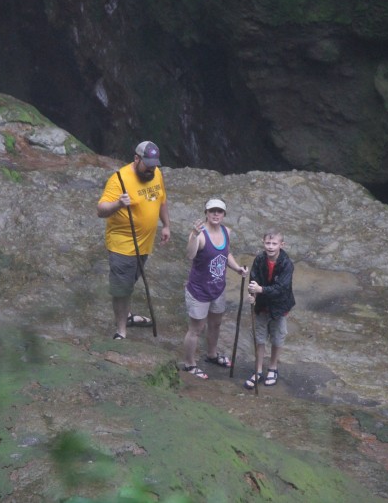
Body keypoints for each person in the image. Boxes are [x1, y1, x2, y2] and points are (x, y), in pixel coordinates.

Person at [97, 140, 170, 339]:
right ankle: (121, 330)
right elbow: (101, 210)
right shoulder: (119, 179)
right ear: (136, 159)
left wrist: (166, 225)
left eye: (155, 165)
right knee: (121, 289)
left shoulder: (156, 174)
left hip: (145, 244)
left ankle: (126, 315)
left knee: (129, 283)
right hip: (123, 244)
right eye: (148, 164)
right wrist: (118, 204)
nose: (152, 169)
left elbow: (162, 199)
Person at [182, 198, 248, 379]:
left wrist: (237, 268)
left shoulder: (226, 231)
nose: (216, 214)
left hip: (218, 288)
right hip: (199, 290)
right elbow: (190, 255)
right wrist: (194, 236)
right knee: (196, 328)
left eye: (219, 211)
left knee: (216, 324)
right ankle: (189, 364)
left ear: (224, 214)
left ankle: (212, 354)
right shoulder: (200, 234)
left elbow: (226, 254)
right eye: (212, 211)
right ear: (206, 213)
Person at [244, 230, 295, 389]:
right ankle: (258, 370)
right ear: (263, 242)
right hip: (261, 305)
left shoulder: (287, 264)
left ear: (282, 245)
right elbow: (253, 280)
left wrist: (261, 290)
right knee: (259, 338)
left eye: (274, 244)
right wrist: (252, 294)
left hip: (279, 307)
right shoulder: (259, 259)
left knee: (277, 338)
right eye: (268, 243)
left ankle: (273, 368)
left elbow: (282, 288)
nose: (270, 247)